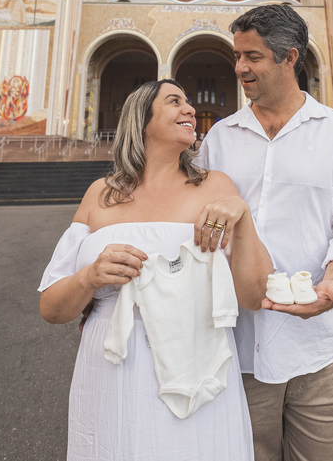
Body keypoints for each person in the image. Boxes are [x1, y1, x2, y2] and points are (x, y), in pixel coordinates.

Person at [38, 79, 273, 460]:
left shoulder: (215, 186)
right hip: (111, 372)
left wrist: (242, 218)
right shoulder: (100, 194)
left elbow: (254, 295)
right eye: (174, 101)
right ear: (142, 121)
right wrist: (89, 276)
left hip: (197, 364)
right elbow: (51, 308)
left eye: (189, 103)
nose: (190, 110)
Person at [198, 4, 333, 461]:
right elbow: (184, 226)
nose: (240, 67)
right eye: (237, 55)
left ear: (289, 57)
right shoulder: (219, 139)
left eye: (253, 57)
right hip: (237, 351)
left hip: (319, 349)